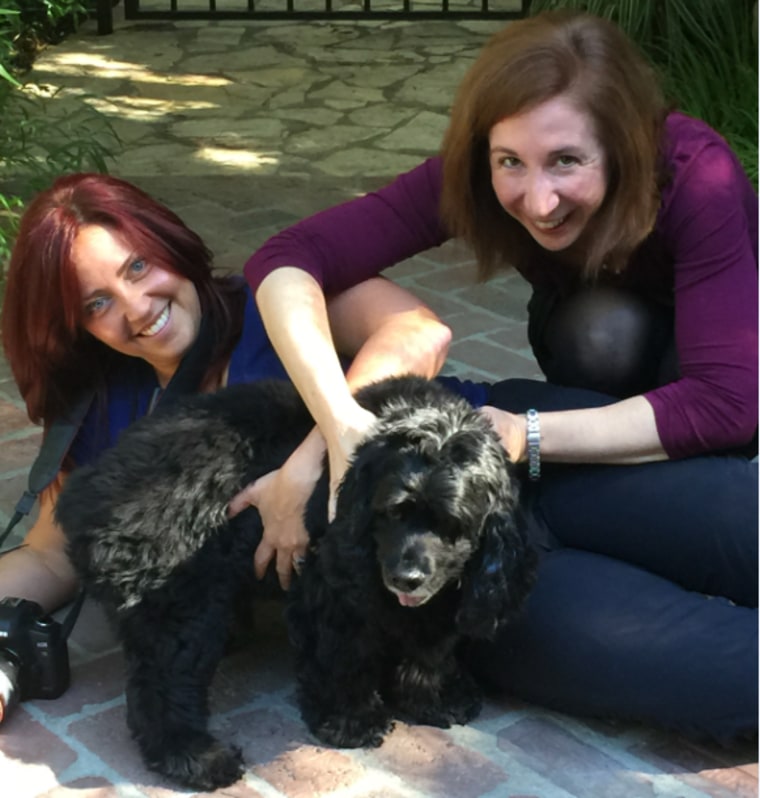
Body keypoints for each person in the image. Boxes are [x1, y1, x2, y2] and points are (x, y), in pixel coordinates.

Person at [238, 10, 758, 743]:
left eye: (566, 162)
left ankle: (673, 483)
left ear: (626, 147)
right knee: (725, 670)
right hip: (467, 571)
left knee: (728, 509)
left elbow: (731, 399)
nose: (536, 201)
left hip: (669, 384)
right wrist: (338, 425)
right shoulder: (106, 435)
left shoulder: (690, 174)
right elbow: (290, 255)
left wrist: (529, 433)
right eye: (509, 161)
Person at [0, 172, 451, 612]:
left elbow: (418, 334)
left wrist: (311, 461)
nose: (136, 309)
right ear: (75, 328)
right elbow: (51, 557)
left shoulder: (274, 304)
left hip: (455, 528)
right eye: (97, 303)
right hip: (353, 619)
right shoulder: (98, 404)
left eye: (138, 266)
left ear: (170, 243)